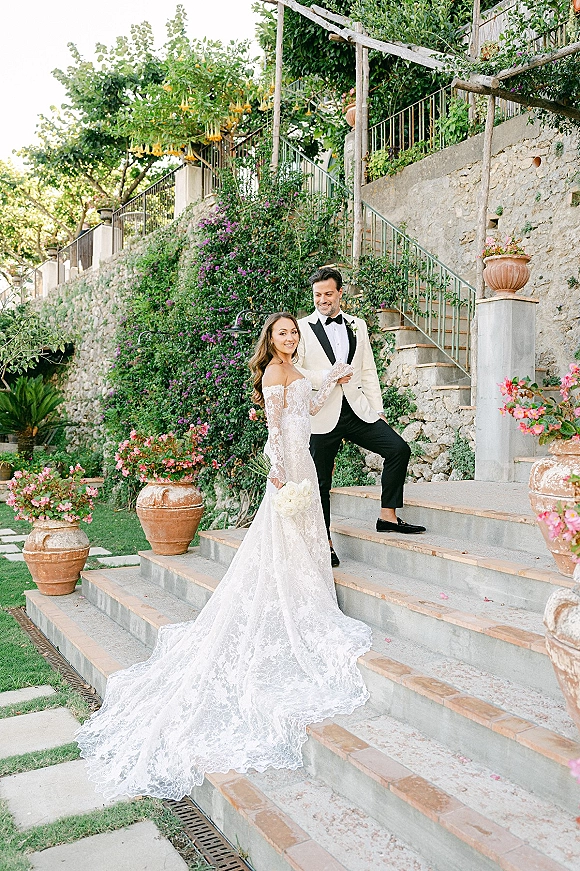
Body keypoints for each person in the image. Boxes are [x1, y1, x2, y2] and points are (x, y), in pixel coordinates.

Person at [76, 312, 372, 801]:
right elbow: (276, 431)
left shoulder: (295, 371)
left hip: (306, 459)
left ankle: (305, 594)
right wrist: (278, 475)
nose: (291, 337)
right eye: (283, 333)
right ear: (270, 341)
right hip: (291, 466)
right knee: (287, 540)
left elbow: (310, 409)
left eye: (293, 331)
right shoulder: (275, 374)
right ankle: (296, 601)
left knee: (304, 541)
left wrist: (334, 383)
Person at [296, 266, 425, 568]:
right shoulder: (300, 328)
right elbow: (296, 370)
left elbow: (368, 370)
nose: (323, 300)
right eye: (317, 295)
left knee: (398, 450)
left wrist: (377, 409)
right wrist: (328, 376)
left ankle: (388, 516)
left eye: (328, 294)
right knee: (320, 482)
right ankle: (323, 542)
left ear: (341, 292)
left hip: (357, 411)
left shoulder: (358, 325)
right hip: (321, 415)